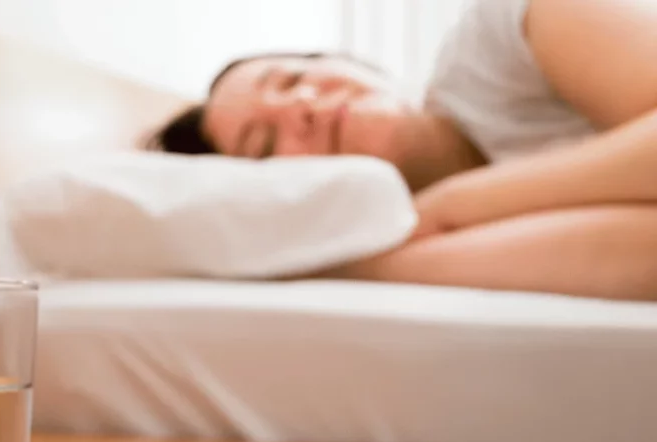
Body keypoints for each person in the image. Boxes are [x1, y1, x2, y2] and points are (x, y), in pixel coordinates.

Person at [149, 0, 657, 302]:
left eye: (294, 78)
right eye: (265, 144)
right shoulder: (400, 250)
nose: (301, 106)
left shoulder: (508, 29)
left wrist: (459, 203)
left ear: (360, 64)